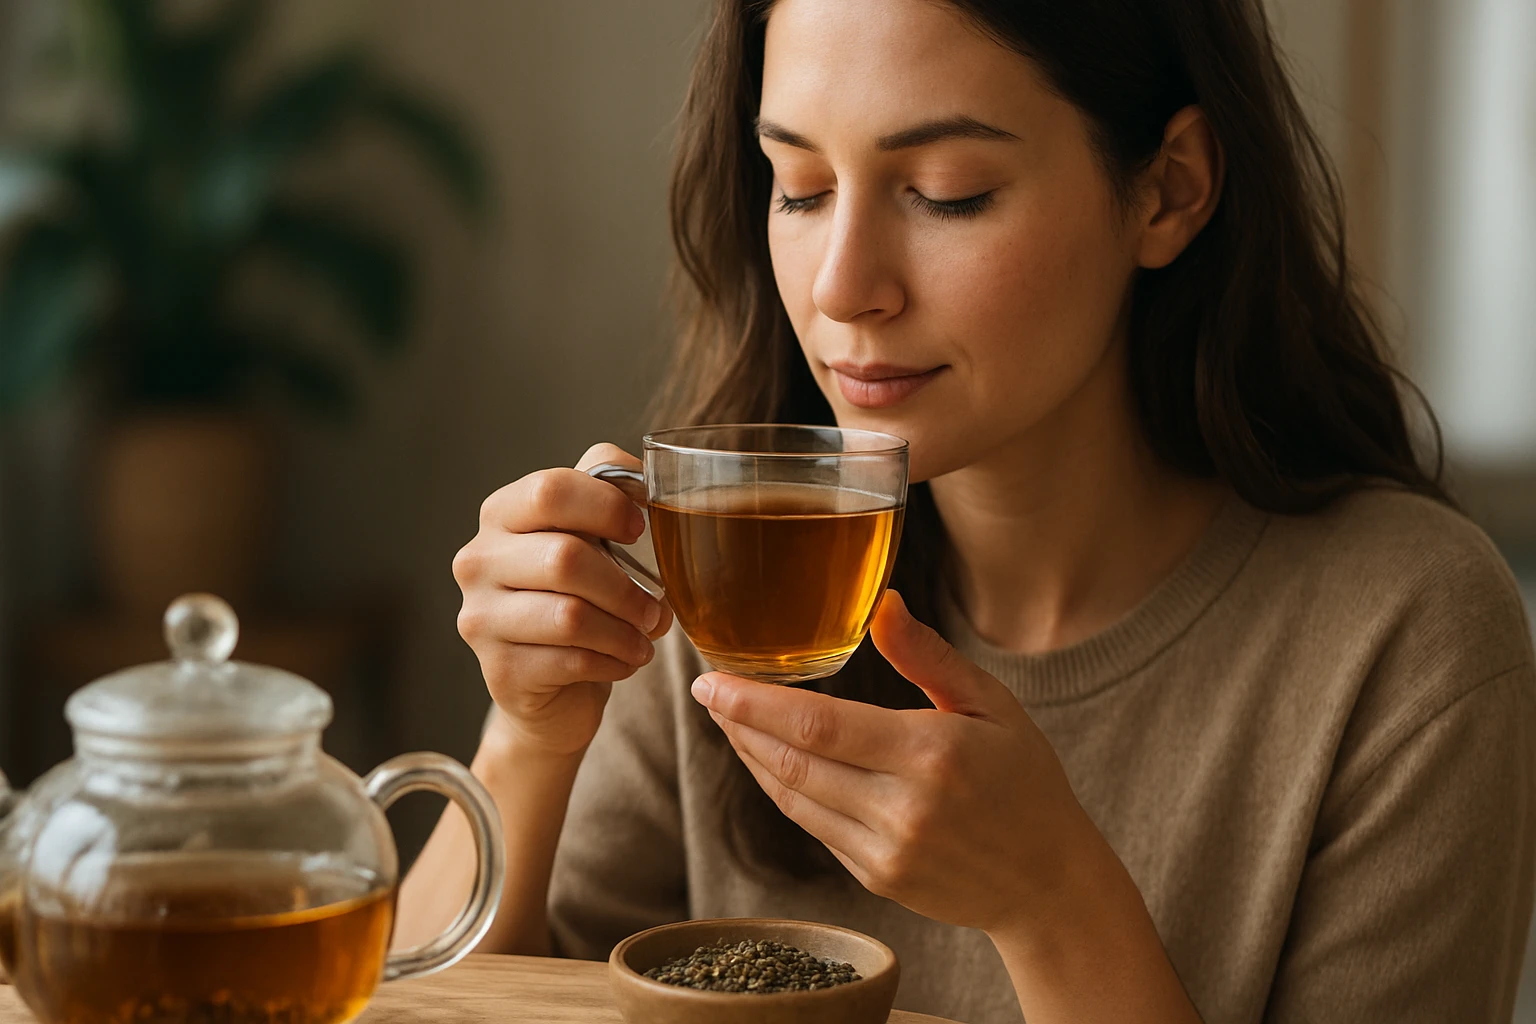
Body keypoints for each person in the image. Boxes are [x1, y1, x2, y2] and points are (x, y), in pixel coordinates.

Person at [394, 1, 1536, 1021]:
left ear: (1171, 189)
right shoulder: (740, 563)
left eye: (948, 193)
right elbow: (423, 1005)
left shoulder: (1406, 634)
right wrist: (528, 741)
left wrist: (1053, 904)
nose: (843, 286)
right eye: (800, 188)